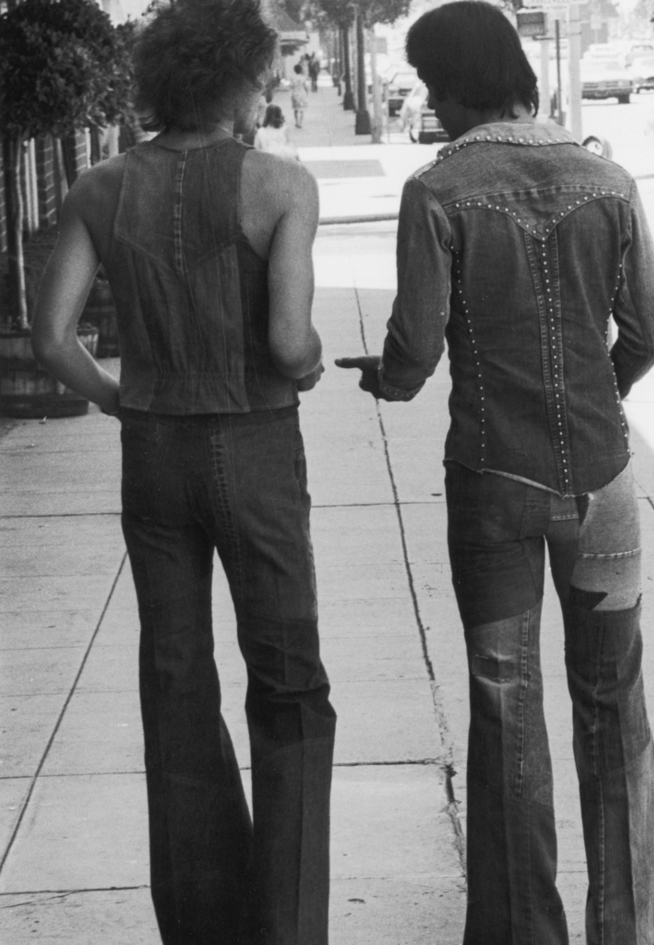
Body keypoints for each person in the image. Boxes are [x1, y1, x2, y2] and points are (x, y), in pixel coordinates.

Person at [336, 3, 654, 944]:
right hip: (604, 488)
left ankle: (527, 929)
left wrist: (387, 379)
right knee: (615, 702)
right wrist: (602, 394)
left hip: (492, 483)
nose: (432, 107)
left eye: (434, 88)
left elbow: (412, 350)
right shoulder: (607, 179)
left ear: (451, 89)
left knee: (506, 701)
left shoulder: (439, 192)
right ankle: (629, 926)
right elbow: (652, 331)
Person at [31, 1, 335, 943]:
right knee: (287, 683)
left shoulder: (99, 184)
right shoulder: (280, 185)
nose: (271, 90)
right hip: (254, 449)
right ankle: (286, 926)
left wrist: (122, 397)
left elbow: (50, 338)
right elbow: (288, 344)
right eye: (265, 76)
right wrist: (317, 352)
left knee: (175, 681)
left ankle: (202, 926)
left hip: (153, 454)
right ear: (237, 83)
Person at [290, 62, 310, 129]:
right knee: (302, 110)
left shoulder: (292, 77)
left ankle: (296, 122)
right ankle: (300, 123)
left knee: (295, 109)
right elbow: (306, 86)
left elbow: (291, 86)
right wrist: (307, 93)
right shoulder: (304, 77)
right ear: (301, 70)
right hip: (302, 93)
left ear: (294, 70)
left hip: (295, 93)